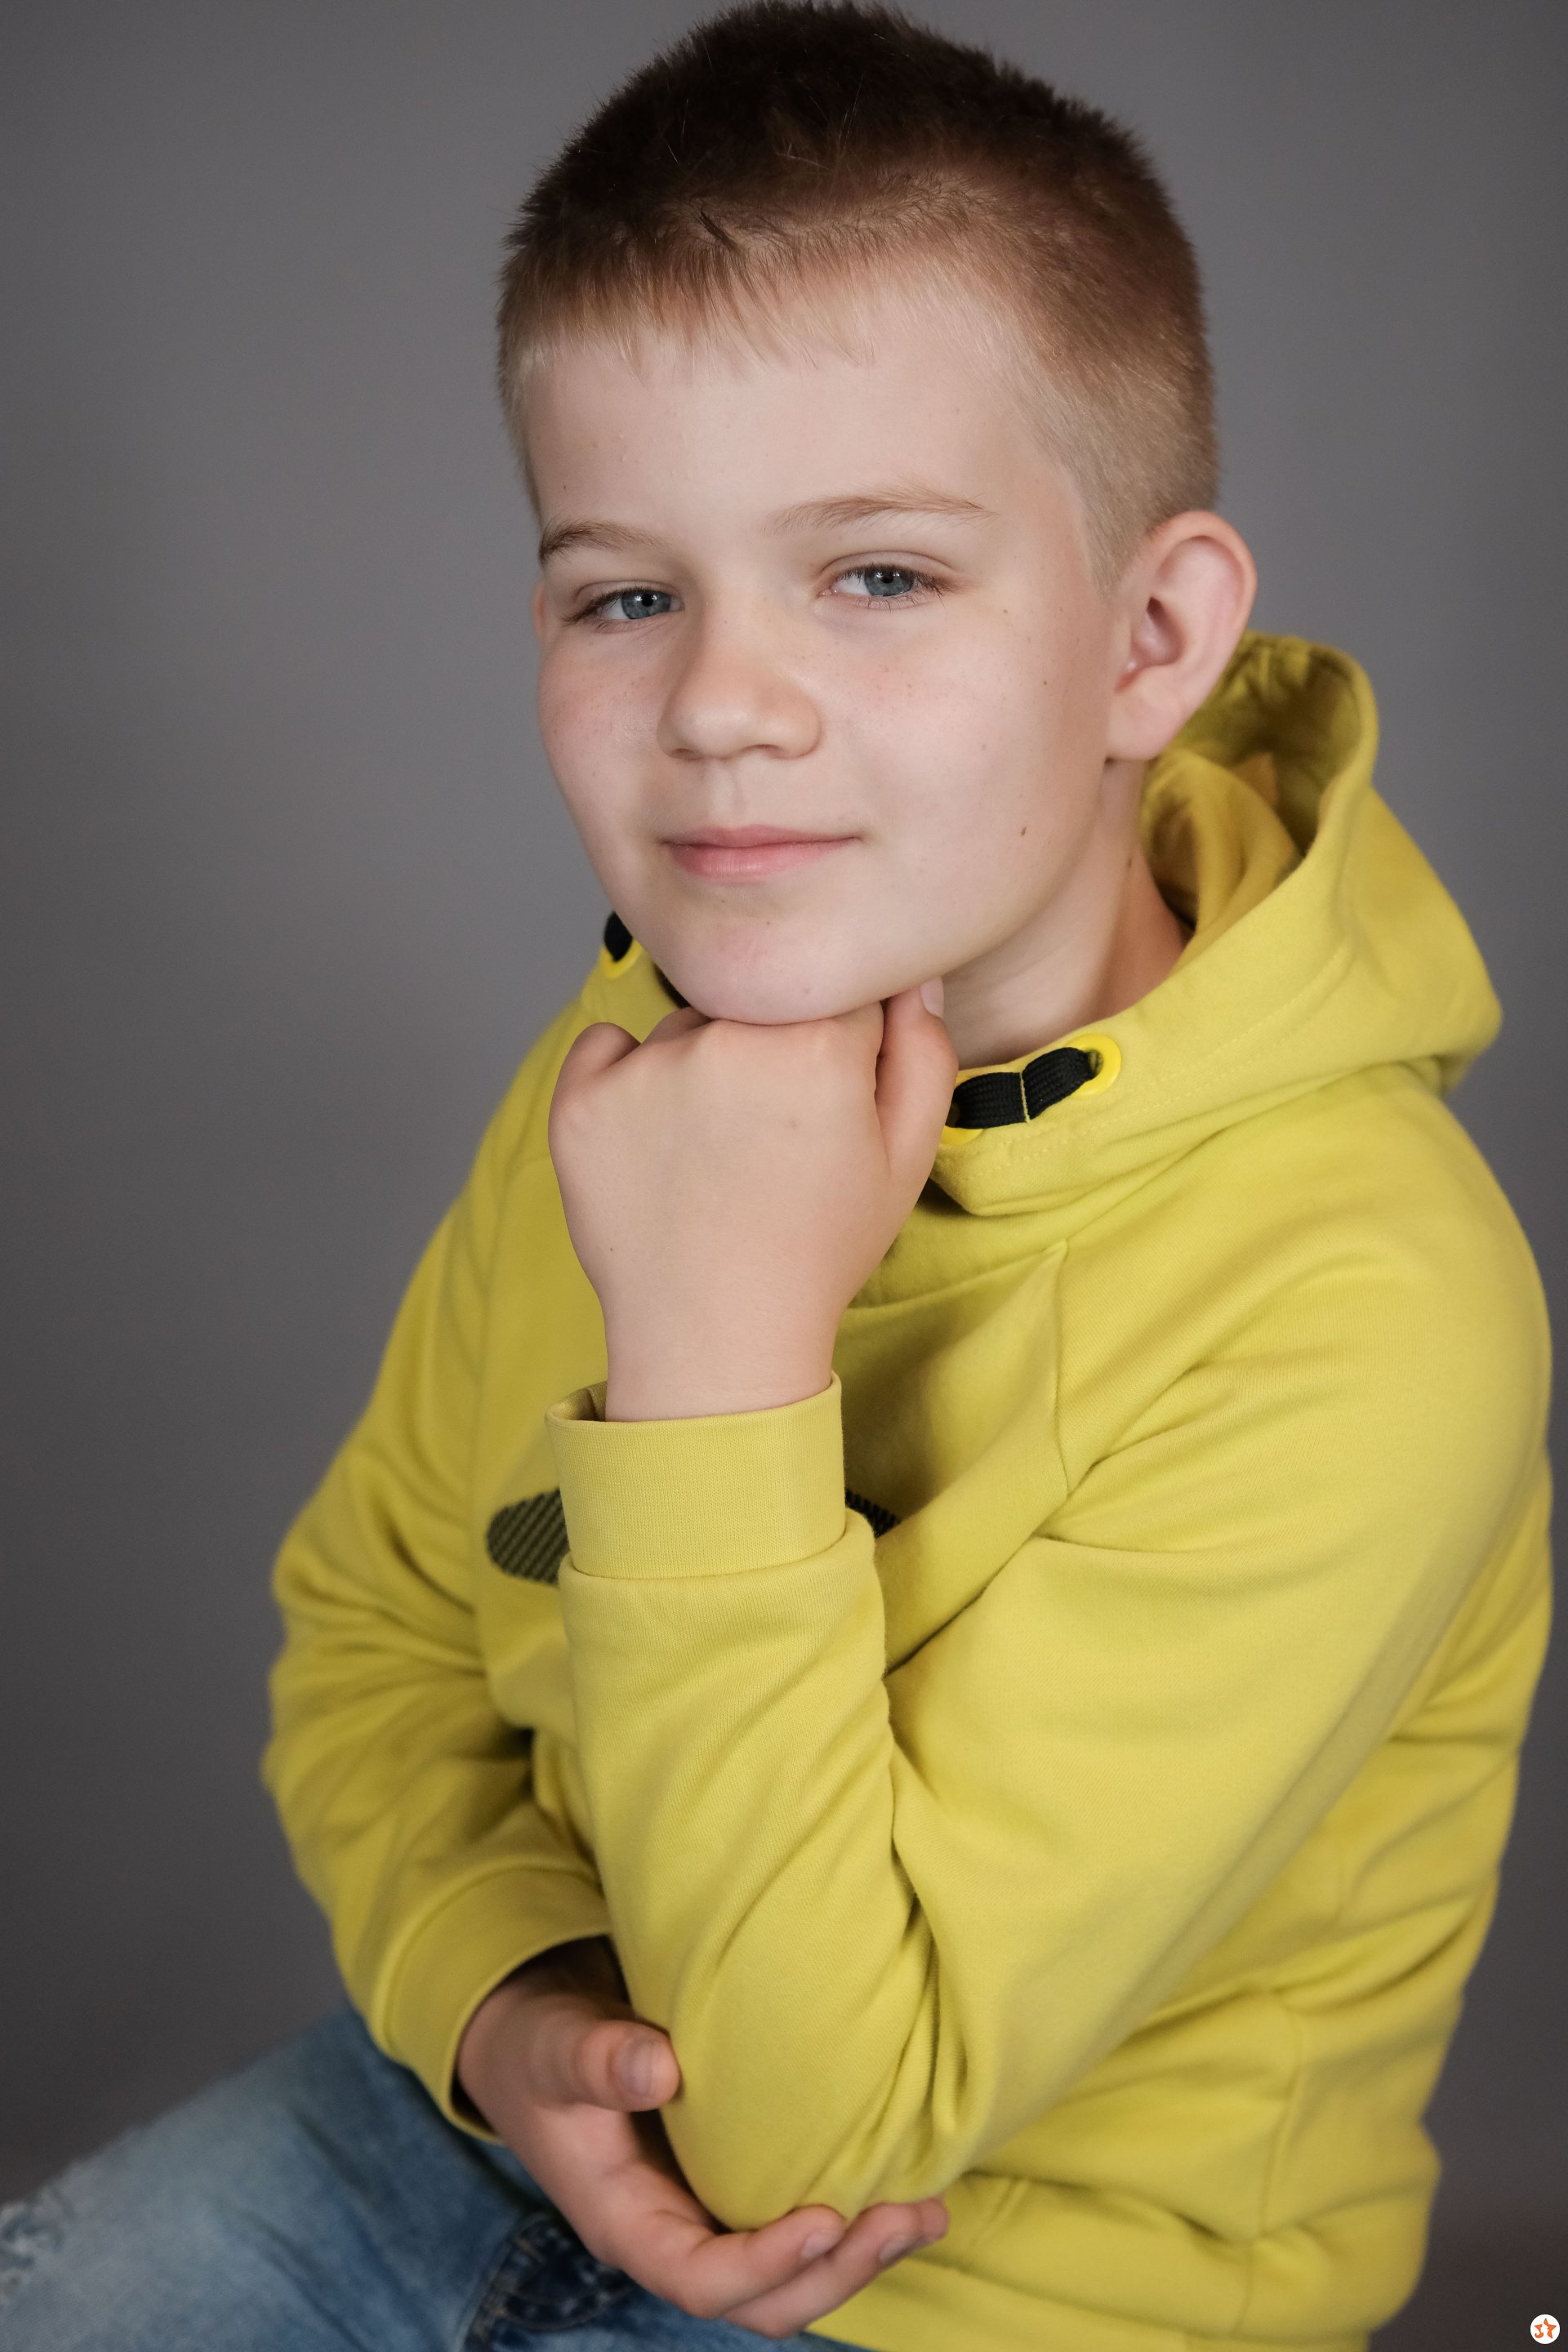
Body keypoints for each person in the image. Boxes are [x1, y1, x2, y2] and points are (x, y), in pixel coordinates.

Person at [0, 5, 1552, 2349]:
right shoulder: (644, 1070)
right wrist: (502, 1992)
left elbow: (823, 2136)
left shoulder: (1364, 1294)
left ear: (1150, 641)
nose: (723, 703)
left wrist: (715, 1350)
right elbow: (379, 1627)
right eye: (628, 594)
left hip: (962, 2288)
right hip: (479, 2123)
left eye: (880, 577)